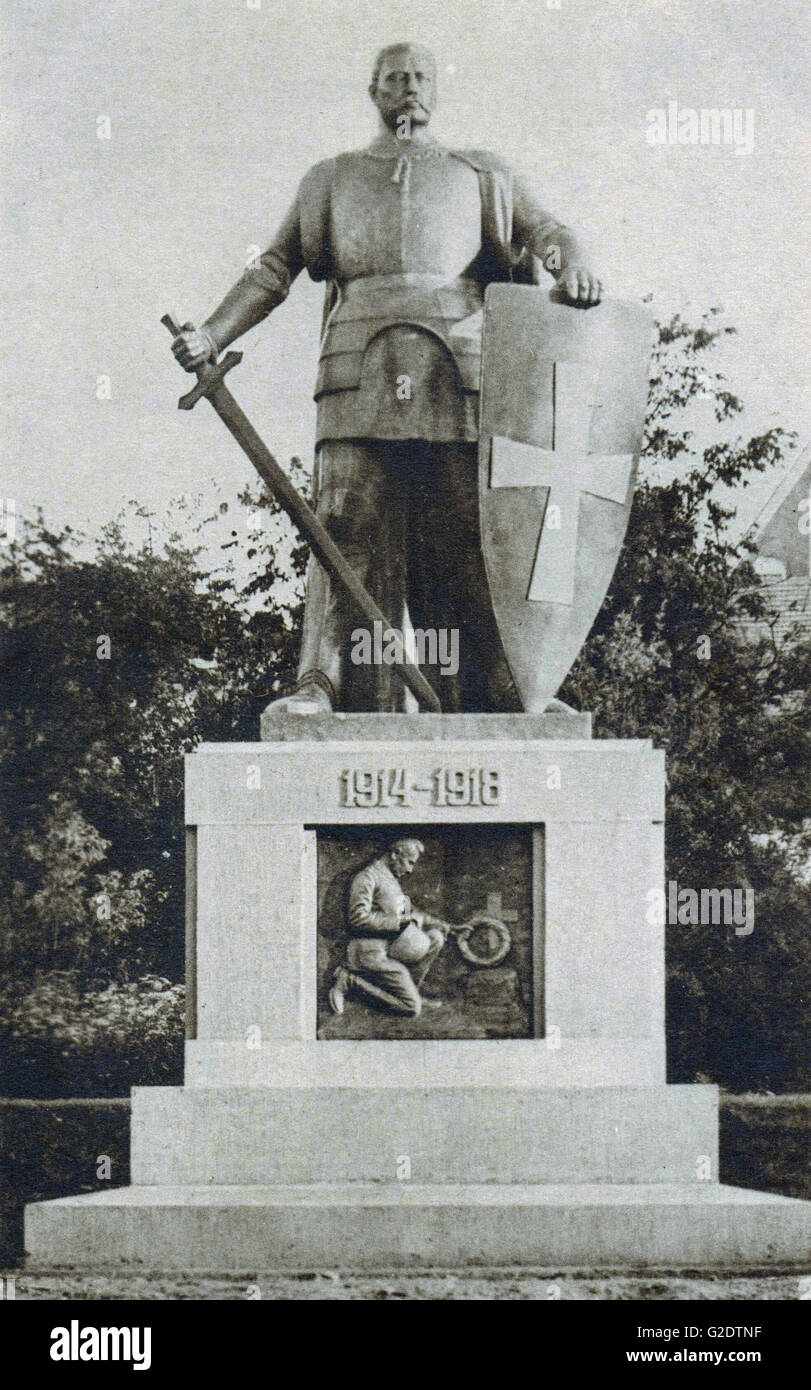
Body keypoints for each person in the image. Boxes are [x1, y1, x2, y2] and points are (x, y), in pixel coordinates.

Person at [172, 42, 603, 712]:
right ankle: (319, 682)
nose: (409, 87)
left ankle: (511, 687)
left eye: (421, 76)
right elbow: (272, 269)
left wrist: (571, 263)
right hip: (355, 366)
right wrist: (211, 332)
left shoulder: (482, 172)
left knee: (472, 533)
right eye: (395, 77)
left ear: (437, 89)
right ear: (372, 90)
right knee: (342, 523)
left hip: (459, 369)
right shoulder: (330, 178)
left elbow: (549, 230)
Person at [330, 838, 449, 1018]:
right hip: (368, 951)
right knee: (411, 1008)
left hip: (389, 946)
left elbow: (406, 912)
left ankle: (411, 991)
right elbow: (357, 918)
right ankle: (348, 980)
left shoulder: (390, 878)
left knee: (435, 937)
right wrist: (396, 922)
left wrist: (441, 924)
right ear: (395, 855)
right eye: (409, 862)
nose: (410, 870)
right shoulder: (367, 877)